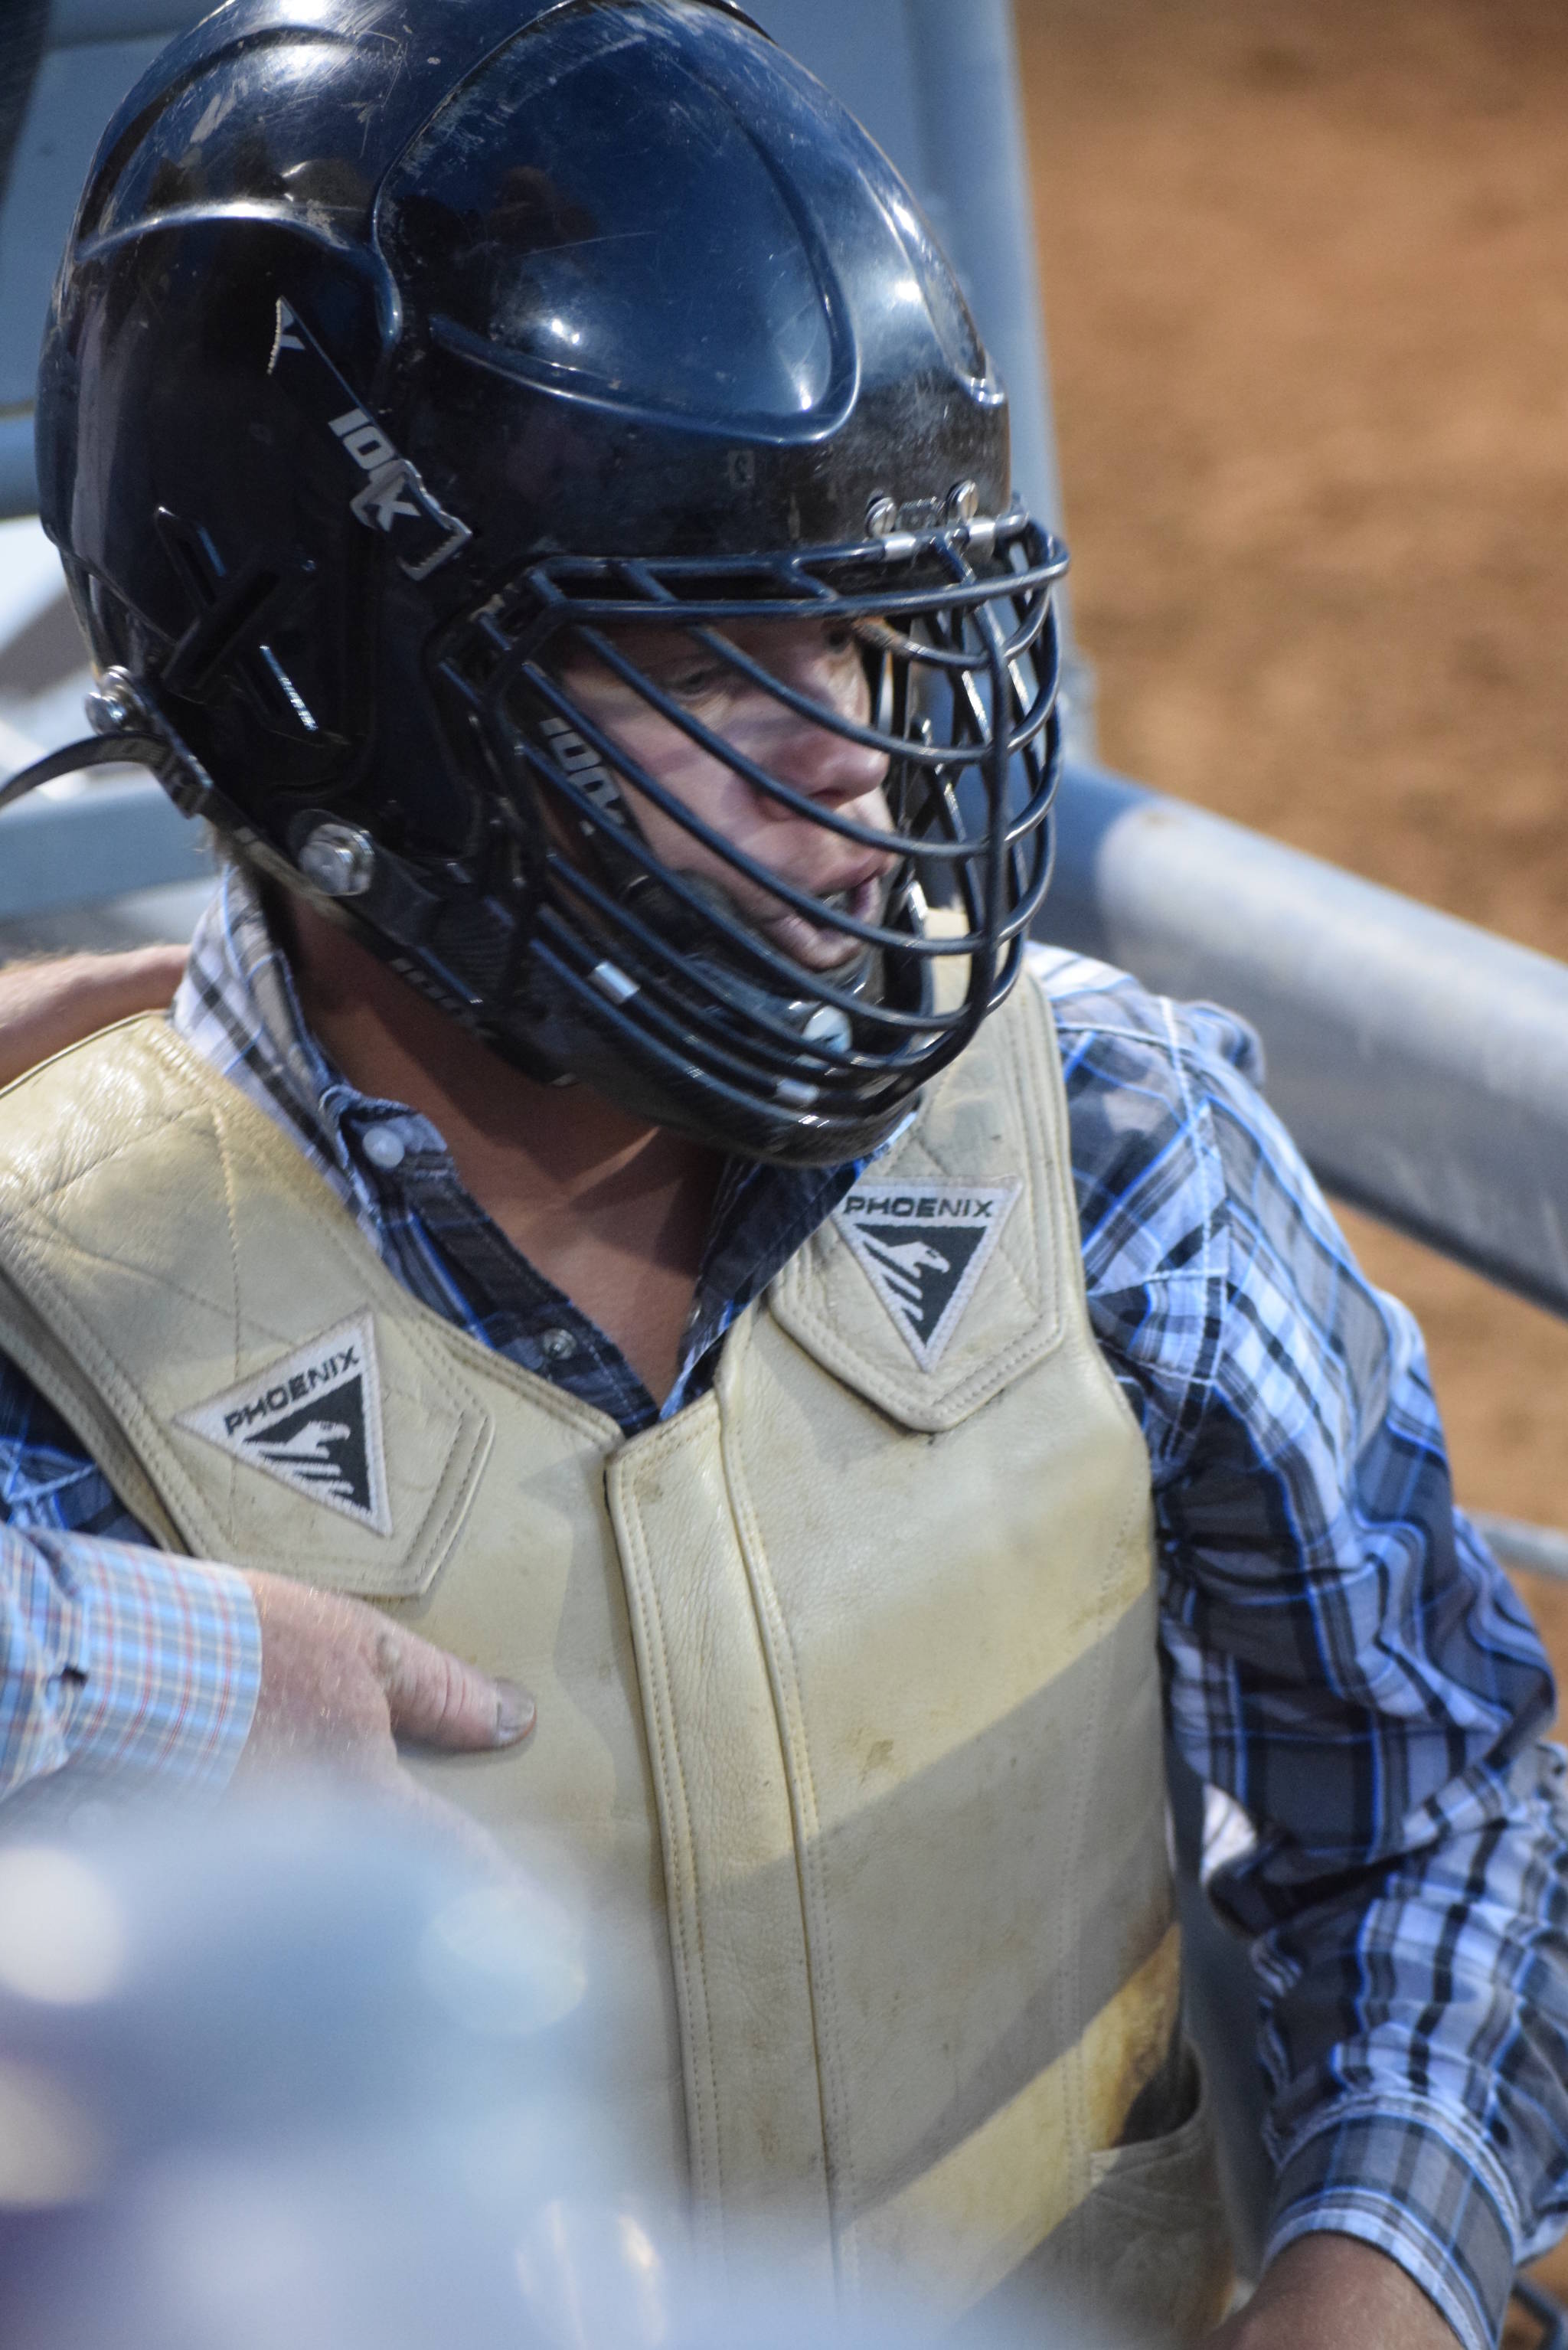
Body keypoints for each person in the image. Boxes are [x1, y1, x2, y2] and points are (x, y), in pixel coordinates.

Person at [0, 2, 1563, 2343]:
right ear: (343, 695)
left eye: (872, 630)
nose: (850, 763)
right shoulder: (46, 1322)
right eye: (710, 659)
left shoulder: (1116, 1141)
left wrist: (1373, 2279)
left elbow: (1437, 1810)